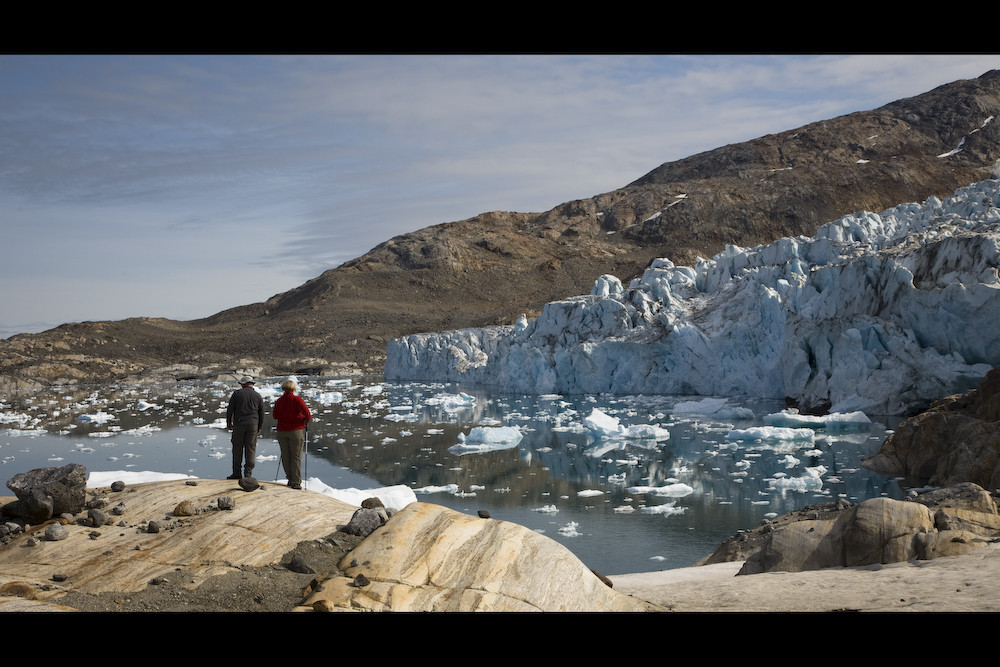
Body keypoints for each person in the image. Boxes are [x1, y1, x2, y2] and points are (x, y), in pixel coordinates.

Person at [272, 378, 312, 490]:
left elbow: (275, 416)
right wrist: (303, 421)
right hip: (296, 431)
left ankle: (290, 478)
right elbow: (307, 414)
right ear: (293, 389)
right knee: (296, 456)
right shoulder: (297, 400)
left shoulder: (279, 401)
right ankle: (296, 482)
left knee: (285, 456)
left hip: (282, 431)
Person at [226, 375, 264, 480]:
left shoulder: (237, 394)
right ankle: (248, 474)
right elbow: (261, 413)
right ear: (252, 384)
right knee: (250, 448)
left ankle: (236, 473)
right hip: (253, 425)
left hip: (239, 424)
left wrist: (229, 422)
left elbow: (230, 409)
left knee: (237, 448)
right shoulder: (257, 396)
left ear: (243, 384)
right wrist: (259, 427)